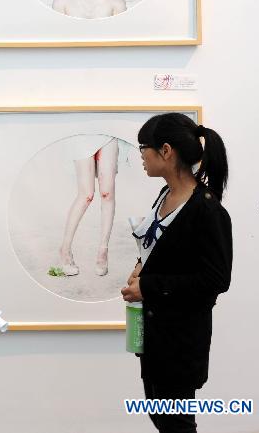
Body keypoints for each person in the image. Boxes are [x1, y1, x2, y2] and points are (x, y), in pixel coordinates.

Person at [121, 113, 232, 433]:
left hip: (182, 338)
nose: (141, 155)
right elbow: (161, 250)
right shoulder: (165, 196)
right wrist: (142, 268)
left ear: (166, 151)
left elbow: (216, 280)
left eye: (145, 147)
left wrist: (150, 287)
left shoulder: (208, 210)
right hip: (155, 333)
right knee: (160, 416)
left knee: (177, 424)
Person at [58, 135, 122, 277]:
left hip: (107, 132)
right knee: (86, 195)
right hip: (83, 131)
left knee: (107, 193)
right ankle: (65, 249)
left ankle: (103, 250)